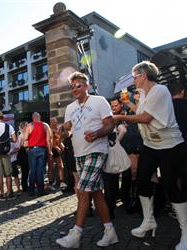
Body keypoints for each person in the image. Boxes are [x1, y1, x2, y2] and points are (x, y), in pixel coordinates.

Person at [114, 61, 186, 249]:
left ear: (144, 75)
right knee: (142, 182)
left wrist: (120, 117)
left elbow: (146, 118)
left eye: (135, 76)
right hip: (150, 145)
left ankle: (186, 231)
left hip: (170, 145)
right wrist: (127, 103)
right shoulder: (144, 93)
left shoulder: (160, 90)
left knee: (170, 186)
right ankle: (148, 221)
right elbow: (141, 111)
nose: (133, 79)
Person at [56, 72, 118, 248]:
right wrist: (62, 131)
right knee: (96, 194)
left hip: (97, 151)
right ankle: (110, 232)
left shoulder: (99, 101)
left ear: (86, 86)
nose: (75, 89)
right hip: (79, 154)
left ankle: (76, 234)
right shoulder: (70, 108)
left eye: (79, 85)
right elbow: (68, 130)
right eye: (72, 86)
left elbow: (110, 124)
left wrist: (97, 134)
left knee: (82, 191)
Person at [23, 112, 52, 196]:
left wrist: (27, 145)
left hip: (32, 149)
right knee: (40, 171)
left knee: (32, 170)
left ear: (32, 118)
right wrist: (50, 151)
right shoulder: (45, 126)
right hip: (42, 149)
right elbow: (48, 140)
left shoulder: (30, 125)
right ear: (40, 117)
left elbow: (25, 138)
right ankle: (40, 191)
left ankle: (31, 191)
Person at [48, 117, 67, 191]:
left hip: (57, 149)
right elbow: (49, 141)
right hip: (51, 149)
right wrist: (56, 147)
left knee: (60, 166)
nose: (53, 123)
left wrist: (62, 146)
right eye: (52, 121)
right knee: (51, 167)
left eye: (54, 121)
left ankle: (61, 182)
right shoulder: (49, 129)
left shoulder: (58, 129)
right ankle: (50, 183)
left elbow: (59, 140)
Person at [17, 121, 29, 192]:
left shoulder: (25, 134)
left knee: (26, 171)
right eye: (27, 126)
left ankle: (26, 186)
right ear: (23, 127)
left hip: (26, 154)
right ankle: (25, 187)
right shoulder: (21, 135)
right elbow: (19, 146)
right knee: (25, 171)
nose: (28, 127)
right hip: (23, 154)